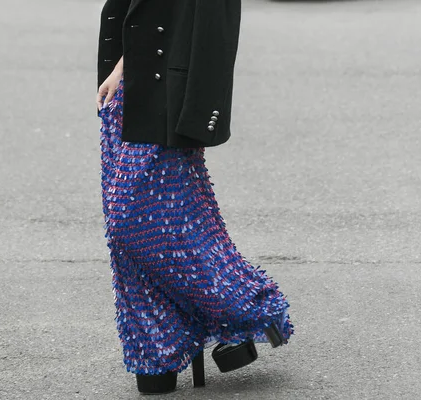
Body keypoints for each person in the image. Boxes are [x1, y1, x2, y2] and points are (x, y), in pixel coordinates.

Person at [96, 0, 293, 394]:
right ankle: (156, 353)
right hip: (127, 90)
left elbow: (216, 24)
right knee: (161, 222)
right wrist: (119, 69)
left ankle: (249, 310)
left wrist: (199, 114)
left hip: (170, 97)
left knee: (133, 223)